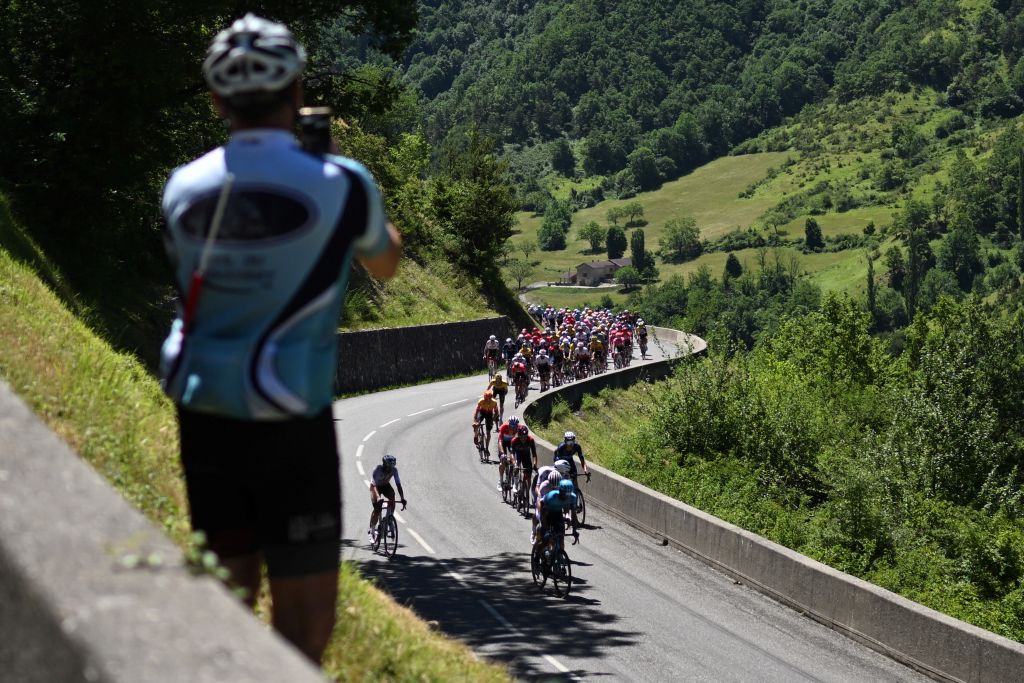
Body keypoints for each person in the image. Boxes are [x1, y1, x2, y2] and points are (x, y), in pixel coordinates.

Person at [159, 14, 400, 664]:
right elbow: (385, 262)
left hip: (205, 410)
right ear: (296, 92)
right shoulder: (342, 183)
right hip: (291, 415)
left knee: (224, 600)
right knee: (303, 627)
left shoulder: (181, 187)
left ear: (217, 100)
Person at [369, 454, 407, 536]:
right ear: (384, 465)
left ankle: (390, 517)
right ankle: (372, 530)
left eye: (392, 467)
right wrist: (378, 497)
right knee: (377, 510)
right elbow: (374, 486)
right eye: (389, 467)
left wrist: (402, 498)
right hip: (375, 487)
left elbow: (398, 485)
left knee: (392, 496)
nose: (390, 469)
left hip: (385, 485)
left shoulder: (394, 470)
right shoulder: (377, 470)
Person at [536, 480, 578, 553]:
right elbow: (543, 514)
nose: (566, 497)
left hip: (558, 513)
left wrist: (574, 531)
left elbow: (574, 515)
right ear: (560, 491)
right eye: (564, 494)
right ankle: (537, 555)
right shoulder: (552, 496)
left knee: (561, 537)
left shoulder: (573, 497)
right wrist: (545, 530)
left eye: (568, 494)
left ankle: (559, 555)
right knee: (544, 539)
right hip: (546, 511)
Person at [509, 424, 538, 509]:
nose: (524, 438)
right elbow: (512, 454)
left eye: (525, 436)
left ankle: (525, 490)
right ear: (519, 435)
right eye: (522, 436)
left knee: (528, 477)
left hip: (526, 457)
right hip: (517, 456)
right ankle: (515, 484)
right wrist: (515, 464)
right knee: (516, 468)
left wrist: (535, 464)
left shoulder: (530, 440)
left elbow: (534, 454)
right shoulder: (514, 440)